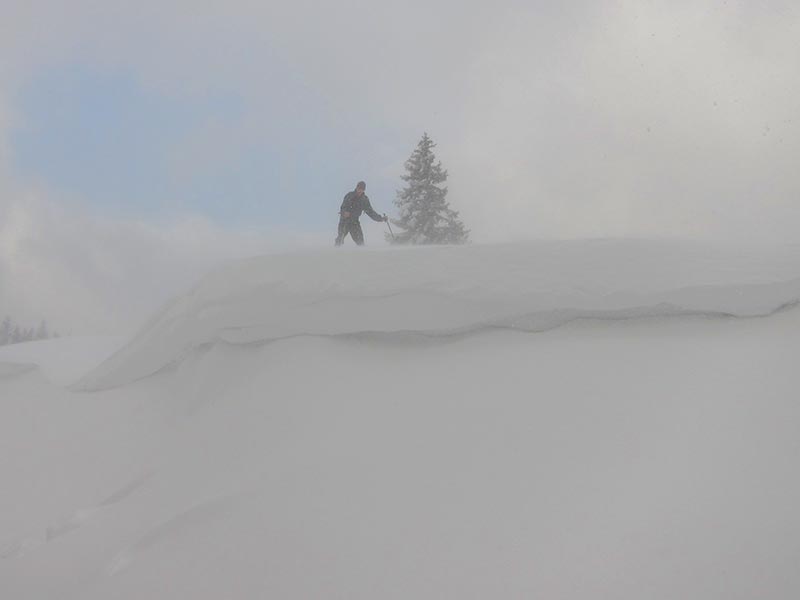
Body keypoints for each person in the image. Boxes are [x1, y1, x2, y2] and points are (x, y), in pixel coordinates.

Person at [335, 181, 388, 246]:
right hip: (344, 221)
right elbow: (343, 207)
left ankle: (362, 253)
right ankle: (335, 251)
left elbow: (371, 212)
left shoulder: (364, 200)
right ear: (356, 188)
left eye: (362, 189)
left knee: (360, 241)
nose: (360, 190)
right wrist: (344, 212)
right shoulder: (349, 195)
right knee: (340, 239)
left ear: (364, 190)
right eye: (359, 188)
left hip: (354, 222)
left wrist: (381, 219)